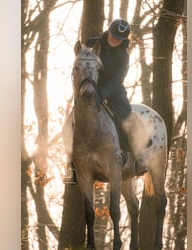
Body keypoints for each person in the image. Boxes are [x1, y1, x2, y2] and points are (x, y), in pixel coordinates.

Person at [64, 19, 150, 184]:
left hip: (113, 92)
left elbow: (118, 79)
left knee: (127, 115)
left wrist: (103, 93)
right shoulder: (92, 43)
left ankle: (139, 157)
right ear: (108, 31)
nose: (114, 39)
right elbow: (83, 65)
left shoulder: (123, 56)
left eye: (119, 38)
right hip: (88, 88)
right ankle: (72, 167)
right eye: (113, 35)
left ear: (124, 40)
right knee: (70, 123)